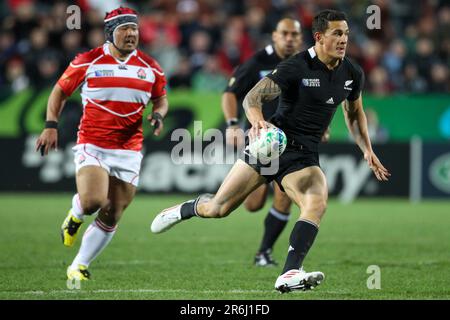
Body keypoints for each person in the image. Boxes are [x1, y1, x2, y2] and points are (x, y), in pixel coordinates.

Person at [151, 10, 390, 293]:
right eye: (337, 33)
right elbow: (253, 97)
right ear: (319, 37)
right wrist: (257, 121)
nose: (343, 39)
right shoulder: (296, 66)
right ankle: (185, 209)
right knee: (219, 209)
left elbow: (354, 114)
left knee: (316, 201)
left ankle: (289, 272)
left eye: (346, 34)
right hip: (272, 144)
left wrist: (366, 149)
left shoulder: (352, 73)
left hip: (304, 154)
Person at [35, 7, 168, 281]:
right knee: (94, 200)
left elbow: (161, 98)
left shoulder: (150, 67)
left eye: (134, 29)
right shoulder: (89, 60)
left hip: (129, 149)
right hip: (93, 144)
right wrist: (50, 125)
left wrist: (158, 114)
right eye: (124, 29)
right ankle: (76, 211)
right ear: (110, 33)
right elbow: (60, 91)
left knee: (113, 212)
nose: (131, 34)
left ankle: (78, 266)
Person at [222, 18, 302, 267]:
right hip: (261, 140)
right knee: (253, 204)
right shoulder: (258, 62)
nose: (289, 38)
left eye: (294, 35)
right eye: (284, 34)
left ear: (300, 39)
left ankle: (263, 252)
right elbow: (230, 93)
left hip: (291, 138)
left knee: (284, 196)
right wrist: (233, 124)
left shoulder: (305, 63)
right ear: (274, 36)